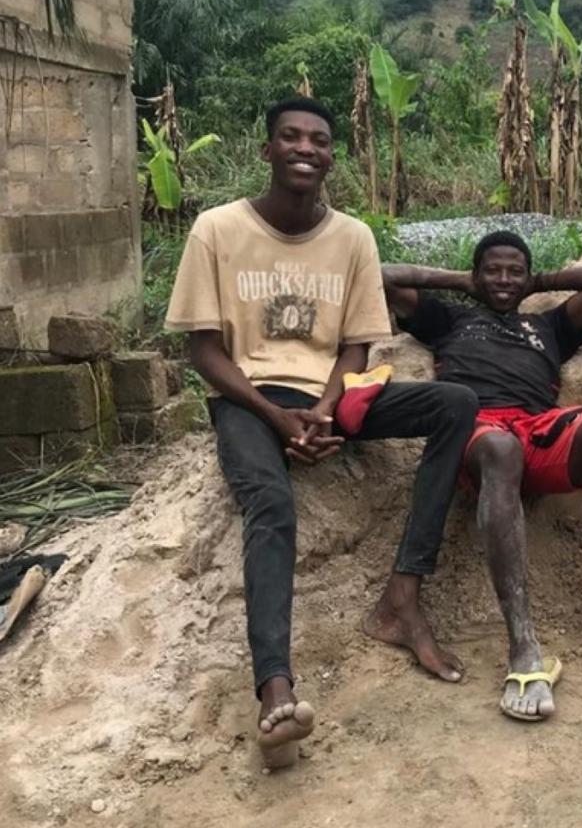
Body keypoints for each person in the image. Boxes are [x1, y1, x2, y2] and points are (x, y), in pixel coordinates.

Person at [164, 97, 479, 766]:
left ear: (332, 155)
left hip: (332, 396)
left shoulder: (353, 237)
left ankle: (403, 596)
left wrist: (326, 407)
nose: (305, 148)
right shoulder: (216, 230)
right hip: (249, 401)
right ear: (268, 150)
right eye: (290, 137)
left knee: (454, 403)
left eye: (319, 140)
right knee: (272, 506)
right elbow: (205, 351)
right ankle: (274, 689)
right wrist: (278, 418)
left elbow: (359, 344)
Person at [384, 232, 582, 722]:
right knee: (501, 449)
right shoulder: (450, 318)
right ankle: (522, 645)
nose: (504, 280)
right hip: (476, 430)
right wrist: (466, 284)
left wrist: (537, 283)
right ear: (476, 274)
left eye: (514, 271)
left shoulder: (548, 325)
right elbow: (385, 276)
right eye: (493, 270)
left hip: (539, 429)